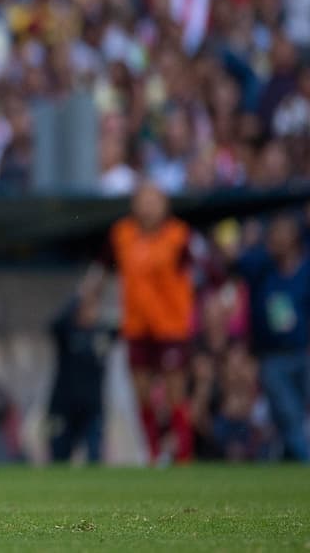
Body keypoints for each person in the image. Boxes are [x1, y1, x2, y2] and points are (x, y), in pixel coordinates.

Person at [104, 181, 197, 464]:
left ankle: (183, 455)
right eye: (143, 200)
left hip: (170, 326)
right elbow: (103, 268)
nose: (148, 206)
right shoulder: (122, 234)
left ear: (165, 205)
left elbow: (200, 271)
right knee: (142, 393)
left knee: (175, 393)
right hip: (136, 326)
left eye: (153, 200)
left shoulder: (179, 235)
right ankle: (154, 454)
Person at [234, 213, 310, 462]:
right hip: (272, 357)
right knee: (287, 413)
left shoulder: (305, 271)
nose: (276, 238)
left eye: (282, 233)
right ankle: (304, 462)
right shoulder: (262, 270)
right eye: (273, 233)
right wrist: (251, 241)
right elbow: (235, 263)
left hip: (303, 352)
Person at [46, 270, 117, 463]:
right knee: (58, 458)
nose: (91, 311)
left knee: (95, 456)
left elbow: (129, 326)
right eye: (86, 306)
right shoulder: (67, 331)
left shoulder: (103, 332)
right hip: (62, 406)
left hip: (92, 408)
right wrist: (80, 293)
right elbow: (54, 324)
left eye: (93, 306)